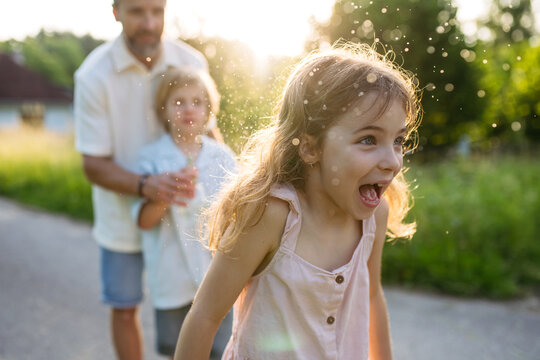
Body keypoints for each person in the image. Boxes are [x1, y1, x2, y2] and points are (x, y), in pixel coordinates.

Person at [174, 42, 422, 360]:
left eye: (398, 140)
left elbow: (372, 297)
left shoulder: (374, 216)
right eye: (368, 140)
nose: (391, 161)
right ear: (310, 148)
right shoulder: (270, 215)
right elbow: (205, 316)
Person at [73, 0, 217, 359]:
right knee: (124, 308)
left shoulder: (192, 62)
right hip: (122, 215)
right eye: (138, 11)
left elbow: (210, 137)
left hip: (187, 216)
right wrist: (146, 186)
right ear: (116, 12)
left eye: (157, 11)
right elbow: (93, 163)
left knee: (197, 305)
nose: (150, 23)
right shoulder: (93, 75)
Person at [132, 67, 236, 359]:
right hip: (172, 273)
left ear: (208, 110)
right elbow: (143, 220)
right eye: (179, 102)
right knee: (176, 350)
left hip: (215, 274)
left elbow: (238, 215)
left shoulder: (222, 157)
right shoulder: (152, 157)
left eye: (197, 101)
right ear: (163, 109)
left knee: (218, 348)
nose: (189, 109)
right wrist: (164, 195)